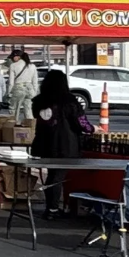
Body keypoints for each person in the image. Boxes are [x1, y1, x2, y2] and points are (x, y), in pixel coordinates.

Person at [30, 69, 87, 217]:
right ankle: (52, 209)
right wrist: (92, 129)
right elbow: (81, 122)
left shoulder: (38, 101)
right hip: (65, 145)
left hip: (44, 144)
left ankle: (51, 207)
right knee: (57, 177)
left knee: (52, 175)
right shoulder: (69, 101)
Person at [6, 49, 39, 124]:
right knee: (28, 110)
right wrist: (34, 92)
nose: (12, 59)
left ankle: (13, 128)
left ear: (17, 57)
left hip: (18, 88)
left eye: (12, 57)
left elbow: (11, 82)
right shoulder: (32, 66)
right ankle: (31, 128)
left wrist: (9, 93)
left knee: (14, 110)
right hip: (30, 89)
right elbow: (35, 81)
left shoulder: (13, 65)